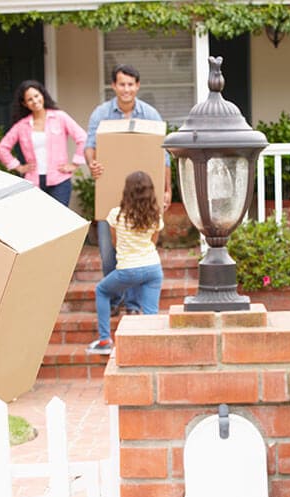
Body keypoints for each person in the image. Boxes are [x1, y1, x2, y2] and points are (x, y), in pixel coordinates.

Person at [84, 64, 172, 315]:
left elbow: (163, 157)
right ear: (114, 86)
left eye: (131, 84)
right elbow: (90, 146)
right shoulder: (101, 114)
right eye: (121, 84)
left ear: (138, 86)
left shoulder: (150, 115)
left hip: (143, 197)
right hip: (110, 194)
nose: (126, 89)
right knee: (108, 252)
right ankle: (113, 302)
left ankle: (133, 306)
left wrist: (167, 190)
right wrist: (92, 163)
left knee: (139, 252)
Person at [87, 171, 164, 355]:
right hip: (153, 268)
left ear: (126, 191)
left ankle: (105, 340)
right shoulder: (155, 216)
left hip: (127, 269)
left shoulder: (116, 215)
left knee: (102, 291)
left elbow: (114, 243)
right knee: (150, 314)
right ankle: (152, 349)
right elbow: (154, 242)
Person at [0, 79, 87, 207]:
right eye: (29, 99)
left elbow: (83, 138)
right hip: (33, 182)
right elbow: (2, 148)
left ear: (42, 95)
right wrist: (19, 167)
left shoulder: (60, 117)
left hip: (59, 180)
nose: (35, 101)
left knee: (60, 221)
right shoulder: (22, 125)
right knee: (38, 222)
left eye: (36, 96)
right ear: (24, 103)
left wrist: (75, 164)